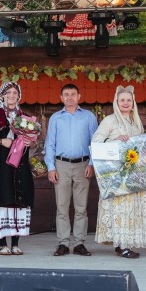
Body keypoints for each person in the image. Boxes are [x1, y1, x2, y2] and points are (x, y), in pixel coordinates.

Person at [91, 85, 146, 258]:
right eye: (122, 100)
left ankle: (126, 243)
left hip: (133, 173)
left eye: (128, 100)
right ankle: (122, 244)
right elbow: (96, 141)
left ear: (133, 103)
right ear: (116, 102)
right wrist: (114, 140)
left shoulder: (136, 121)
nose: (125, 103)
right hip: (116, 174)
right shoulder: (110, 120)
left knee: (131, 208)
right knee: (120, 208)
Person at [45, 83, 98, 256]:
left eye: (73, 94)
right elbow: (50, 144)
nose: (69, 97)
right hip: (61, 165)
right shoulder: (55, 118)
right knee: (62, 206)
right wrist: (51, 168)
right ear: (61, 98)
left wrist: (91, 164)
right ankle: (63, 243)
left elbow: (95, 143)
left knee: (81, 207)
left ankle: (79, 243)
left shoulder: (89, 117)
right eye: (66, 94)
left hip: (83, 165)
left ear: (79, 97)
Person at [0, 81, 35, 255]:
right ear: (2, 95)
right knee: (2, 198)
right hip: (0, 165)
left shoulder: (24, 117)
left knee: (17, 201)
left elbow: (31, 141)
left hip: (19, 164)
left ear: (18, 96)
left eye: (15, 93)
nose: (12, 95)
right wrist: (1, 141)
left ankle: (15, 243)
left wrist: (29, 142)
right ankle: (2, 244)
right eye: (8, 92)